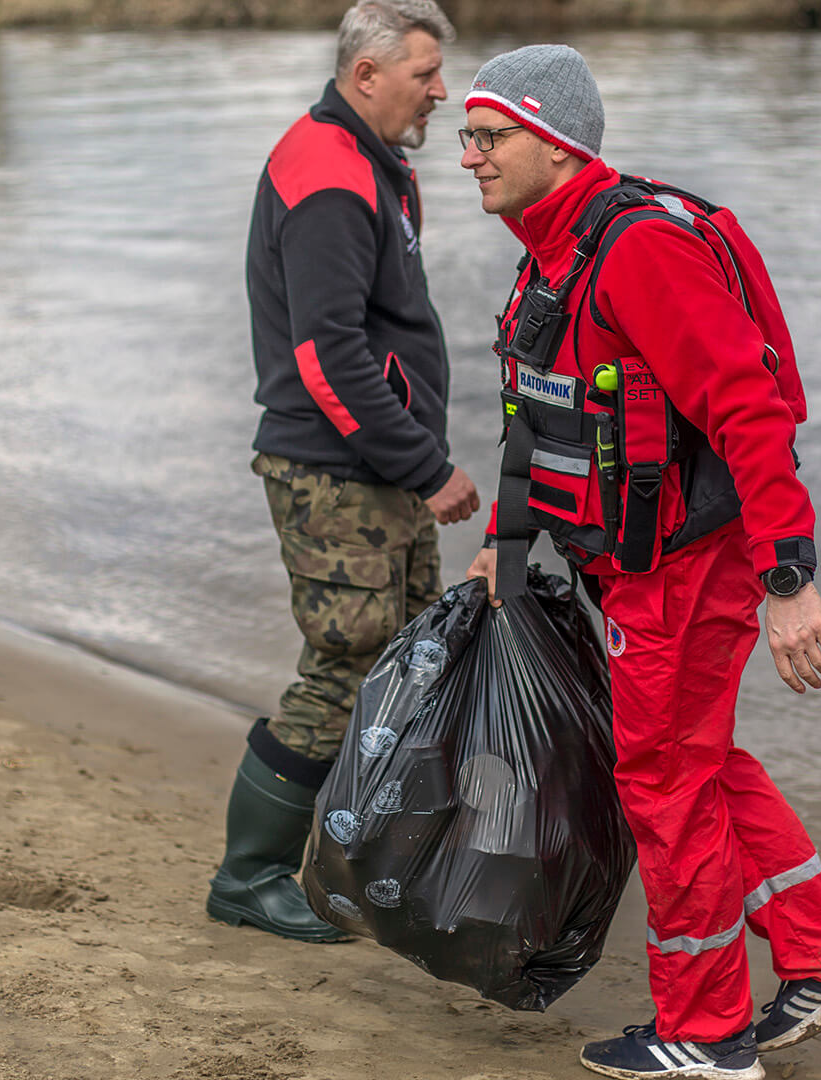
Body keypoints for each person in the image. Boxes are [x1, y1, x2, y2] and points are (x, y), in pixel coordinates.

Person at [458, 45, 821, 1080]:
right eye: (467, 135)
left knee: (662, 779)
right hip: (627, 565)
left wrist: (787, 578)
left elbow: (750, 409)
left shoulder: (641, 250)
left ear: (557, 145)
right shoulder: (549, 250)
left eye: (490, 136)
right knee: (693, 760)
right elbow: (538, 411)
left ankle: (704, 1033)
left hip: (692, 568)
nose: (468, 154)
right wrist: (505, 542)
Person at [208, 0, 479, 945]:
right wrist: (427, 465)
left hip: (372, 470)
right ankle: (249, 877)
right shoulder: (327, 169)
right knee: (348, 668)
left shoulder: (371, 161)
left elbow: (377, 330)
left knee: (406, 662)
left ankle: (367, 869)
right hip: (337, 474)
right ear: (367, 74)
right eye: (425, 72)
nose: (441, 90)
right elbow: (326, 354)